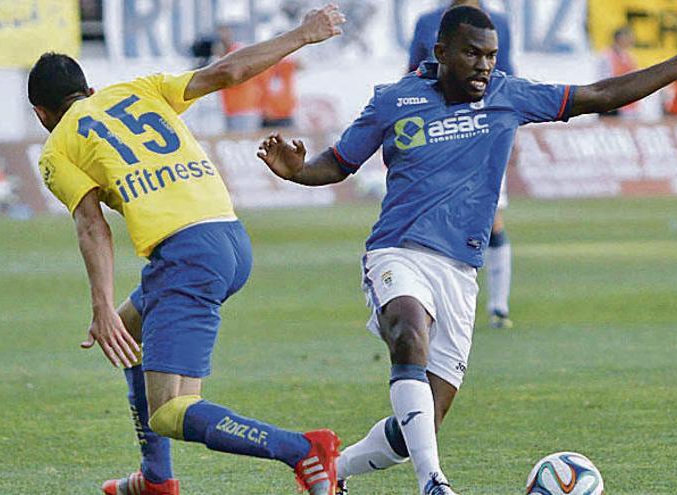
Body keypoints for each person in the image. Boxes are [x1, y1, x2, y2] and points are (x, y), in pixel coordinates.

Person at [256, 6, 677, 494]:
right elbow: (339, 162)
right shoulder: (394, 101)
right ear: (442, 53)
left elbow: (600, 95)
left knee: (419, 427)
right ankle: (432, 483)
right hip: (399, 251)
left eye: (491, 55)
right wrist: (298, 172)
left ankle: (333, 471)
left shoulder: (508, 95)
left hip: (460, 271)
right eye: (472, 54)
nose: (484, 65)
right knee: (408, 333)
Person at [27, 5, 347, 495]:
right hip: (229, 239)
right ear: (89, 91)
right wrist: (303, 34)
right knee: (130, 335)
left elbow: (92, 226)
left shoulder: (57, 150)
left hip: (186, 256)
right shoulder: (140, 88)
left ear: (42, 115)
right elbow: (229, 70)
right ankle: (156, 479)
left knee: (171, 412)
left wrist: (99, 308)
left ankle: (303, 450)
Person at [408, 0, 515, 329]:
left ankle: (498, 305)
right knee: (433, 215)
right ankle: (432, 301)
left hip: (481, 133)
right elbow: (412, 72)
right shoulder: (427, 21)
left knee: (491, 219)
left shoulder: (497, 22)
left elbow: (507, 74)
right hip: (435, 135)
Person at [217, 25, 265, 133]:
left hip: (245, 108)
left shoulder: (237, 51)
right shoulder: (222, 54)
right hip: (230, 109)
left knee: (246, 142)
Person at [598, 26, 639, 118]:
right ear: (620, 38)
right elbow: (604, 79)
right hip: (612, 102)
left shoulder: (629, 56)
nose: (631, 40)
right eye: (628, 37)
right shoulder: (606, 56)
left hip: (628, 103)